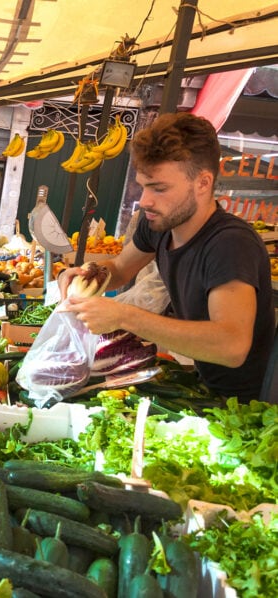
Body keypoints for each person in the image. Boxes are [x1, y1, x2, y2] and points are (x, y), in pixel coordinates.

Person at [59, 112, 274, 401]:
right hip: (201, 382)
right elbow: (121, 269)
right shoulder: (160, 225)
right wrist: (88, 274)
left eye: (159, 188)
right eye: (144, 186)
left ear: (203, 183)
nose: (145, 200)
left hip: (245, 403)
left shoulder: (230, 244)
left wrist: (124, 316)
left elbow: (231, 346)